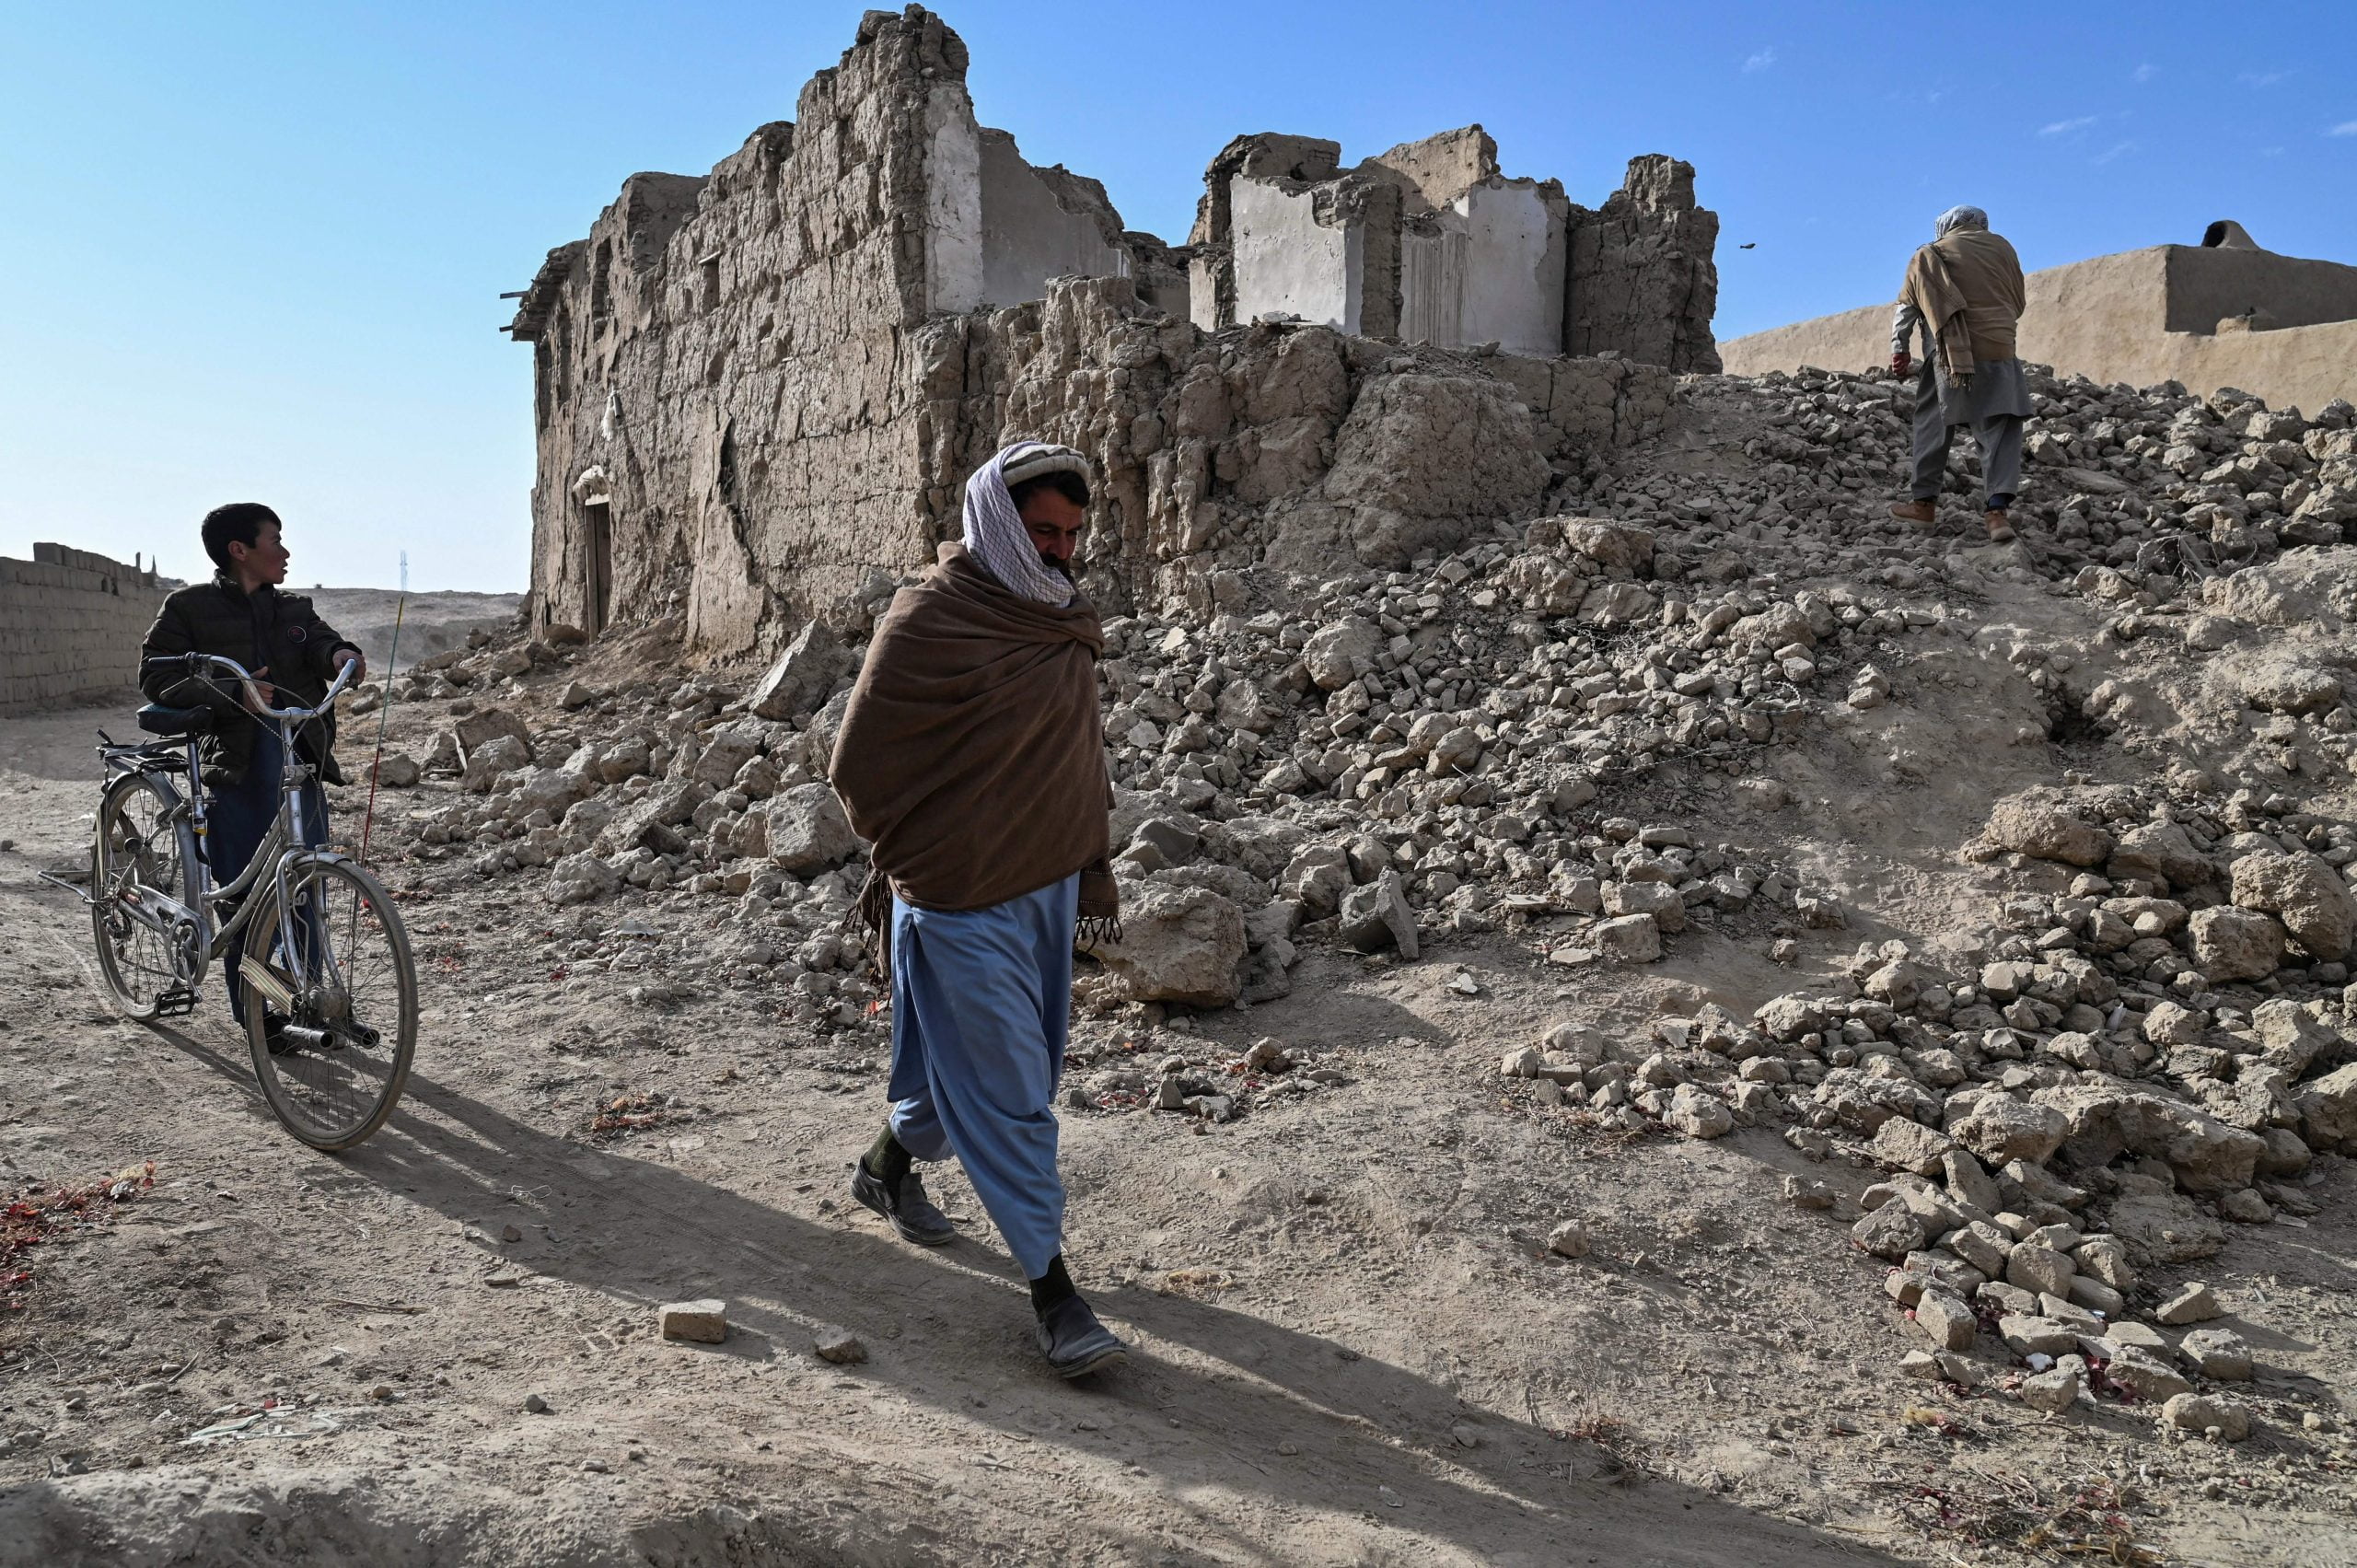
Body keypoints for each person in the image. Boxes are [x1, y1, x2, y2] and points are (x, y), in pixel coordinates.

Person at [829, 440, 1127, 1378]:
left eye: (1073, 534)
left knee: (973, 1076)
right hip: (956, 896)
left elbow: (1075, 758)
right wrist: (924, 856)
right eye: (1043, 530)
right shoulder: (931, 618)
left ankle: (884, 1166)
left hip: (1044, 883)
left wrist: (1082, 867)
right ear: (997, 518)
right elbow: (857, 766)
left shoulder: (1058, 619)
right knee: (1010, 1094)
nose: (1060, 550)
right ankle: (1054, 1294)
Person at [139, 503, 365, 1031]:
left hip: (296, 764)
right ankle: (261, 1019)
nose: (284, 552)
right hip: (234, 770)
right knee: (244, 896)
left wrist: (339, 656)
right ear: (240, 550)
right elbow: (155, 676)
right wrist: (228, 691)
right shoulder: (188, 609)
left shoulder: (292, 610)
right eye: (275, 541)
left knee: (307, 883)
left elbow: (321, 642)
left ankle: (316, 999)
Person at [1888, 205, 2030, 544]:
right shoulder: (2004, 249)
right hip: (2000, 350)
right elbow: (2019, 302)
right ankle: (1997, 516)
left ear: (1947, 226)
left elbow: (1907, 308)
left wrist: (1900, 348)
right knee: (1998, 430)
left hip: (1948, 355)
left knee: (1932, 424)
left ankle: (1923, 506)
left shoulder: (1929, 254)